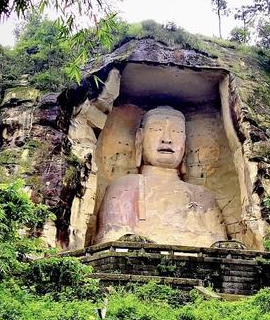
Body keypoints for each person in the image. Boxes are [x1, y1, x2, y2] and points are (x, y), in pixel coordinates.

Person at [94, 105, 227, 247]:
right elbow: (111, 239)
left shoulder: (202, 195)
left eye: (176, 131)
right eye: (156, 129)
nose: (167, 139)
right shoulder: (124, 187)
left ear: (185, 143)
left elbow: (218, 246)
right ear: (140, 138)